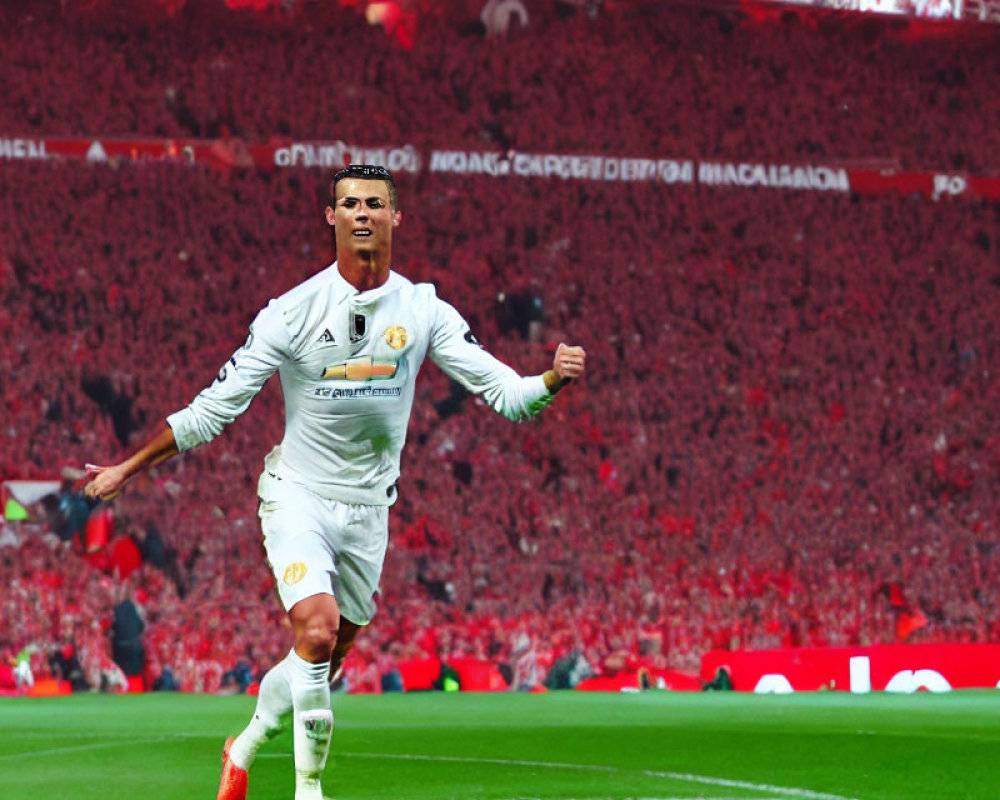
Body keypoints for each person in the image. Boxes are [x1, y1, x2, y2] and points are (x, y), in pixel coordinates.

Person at [84, 164, 587, 800]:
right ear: (332, 217)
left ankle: (242, 748)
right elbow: (215, 408)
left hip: (368, 510)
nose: (361, 213)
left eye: (375, 203)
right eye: (348, 203)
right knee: (316, 632)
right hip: (297, 495)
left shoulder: (422, 309)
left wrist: (549, 381)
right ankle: (309, 789)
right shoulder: (292, 313)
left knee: (321, 658)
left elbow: (506, 394)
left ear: (395, 217)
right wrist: (130, 467)